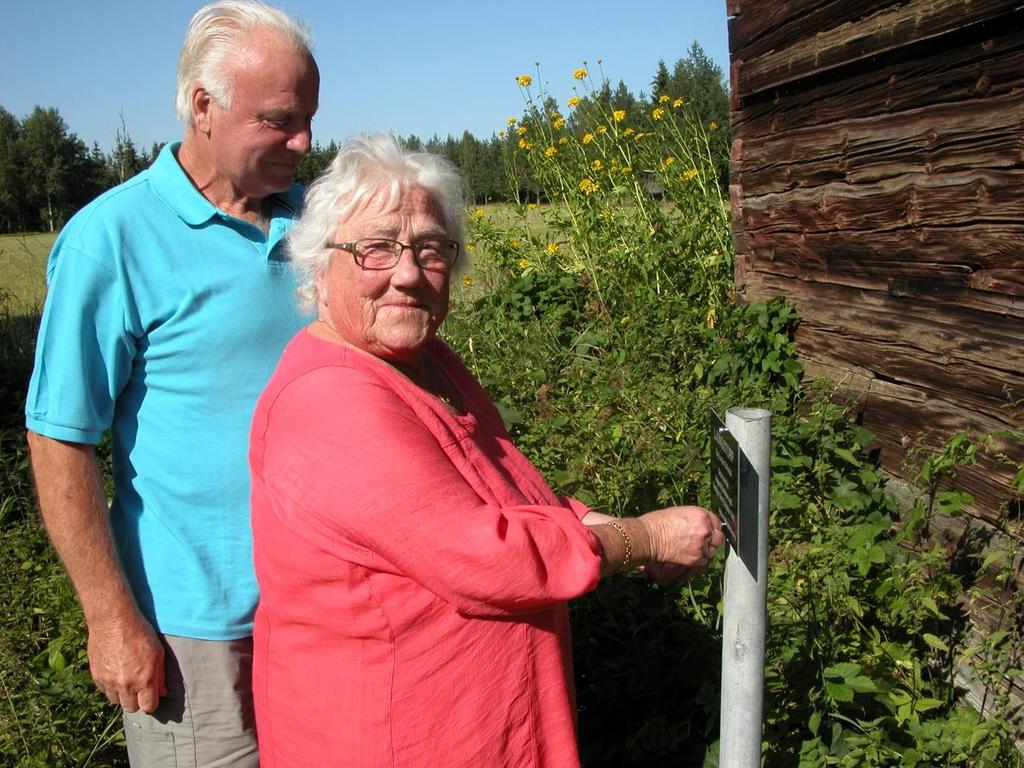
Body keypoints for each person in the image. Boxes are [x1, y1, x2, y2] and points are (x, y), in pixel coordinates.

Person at [249, 133, 726, 767]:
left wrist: (588, 523)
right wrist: (643, 538)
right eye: (377, 248)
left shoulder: (426, 362)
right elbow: (492, 557)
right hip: (392, 736)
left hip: (474, 726)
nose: (409, 272)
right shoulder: (328, 400)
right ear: (318, 267)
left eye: (430, 248)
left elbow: (502, 489)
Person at [24, 2, 319, 765]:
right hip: (202, 633)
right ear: (202, 104)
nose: (306, 142)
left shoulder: (321, 226)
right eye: (281, 120)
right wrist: (110, 617)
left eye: (310, 118)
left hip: (330, 608)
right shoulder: (111, 239)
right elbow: (60, 438)